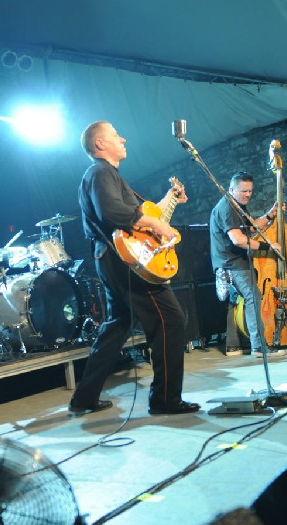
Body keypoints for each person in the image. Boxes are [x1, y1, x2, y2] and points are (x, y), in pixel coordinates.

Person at [68, 120, 200, 416]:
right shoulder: (101, 173)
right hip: (126, 262)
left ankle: (84, 398)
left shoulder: (106, 175)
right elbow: (114, 213)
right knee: (170, 319)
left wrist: (169, 201)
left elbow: (140, 213)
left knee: (117, 327)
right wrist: (155, 223)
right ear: (100, 144)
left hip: (113, 260)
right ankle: (165, 399)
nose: (123, 138)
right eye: (116, 135)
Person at [210, 171, 285, 358]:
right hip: (231, 263)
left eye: (250, 191)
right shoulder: (227, 208)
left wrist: (270, 215)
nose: (248, 195)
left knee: (253, 296)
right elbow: (238, 239)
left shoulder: (238, 206)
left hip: (238, 261)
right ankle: (258, 347)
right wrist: (268, 247)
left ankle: (256, 345)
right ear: (231, 189)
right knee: (253, 296)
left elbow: (250, 228)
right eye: (244, 191)